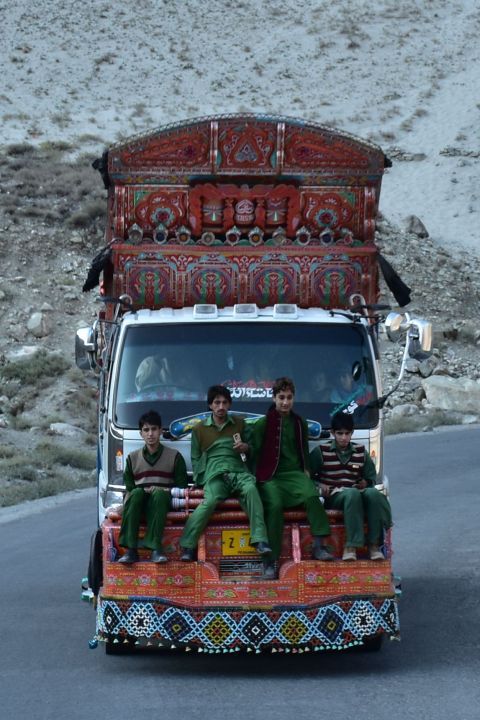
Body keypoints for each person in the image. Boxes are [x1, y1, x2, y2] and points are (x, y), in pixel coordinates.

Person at [250, 377, 333, 579]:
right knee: (275, 506)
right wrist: (254, 479)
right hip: (270, 476)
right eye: (281, 397)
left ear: (293, 398)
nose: (285, 402)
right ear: (274, 398)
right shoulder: (262, 424)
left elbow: (303, 448)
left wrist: (306, 470)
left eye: (289, 397)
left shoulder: (299, 422)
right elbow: (255, 453)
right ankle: (270, 562)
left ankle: (319, 545)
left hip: (294, 473)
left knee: (311, 496)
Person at [179, 385, 272, 561]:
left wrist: (245, 448)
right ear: (210, 405)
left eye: (224, 402)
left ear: (229, 405)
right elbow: (196, 458)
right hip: (215, 474)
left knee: (251, 490)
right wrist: (202, 478)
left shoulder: (240, 424)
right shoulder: (199, 429)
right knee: (211, 500)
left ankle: (260, 540)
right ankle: (187, 545)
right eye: (217, 402)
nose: (221, 406)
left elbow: (252, 452)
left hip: (238, 470)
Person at [309, 412, 392, 561]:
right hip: (335, 496)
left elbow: (371, 476)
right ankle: (351, 547)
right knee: (352, 494)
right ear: (333, 433)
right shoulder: (321, 452)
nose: (343, 437)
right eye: (340, 433)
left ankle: (374, 545)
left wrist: (365, 482)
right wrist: (320, 485)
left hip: (357, 493)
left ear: (352, 433)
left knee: (374, 495)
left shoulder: (360, 452)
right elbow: (306, 477)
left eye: (347, 433)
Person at [118, 410, 188, 563]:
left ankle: (156, 549)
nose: (151, 434)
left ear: (161, 431)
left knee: (159, 495)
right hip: (139, 502)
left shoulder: (174, 456)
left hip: (163, 502)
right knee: (136, 494)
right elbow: (129, 489)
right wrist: (141, 492)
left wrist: (164, 490)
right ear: (141, 433)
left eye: (154, 429)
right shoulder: (132, 458)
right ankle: (130, 550)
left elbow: (182, 489)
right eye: (146, 430)